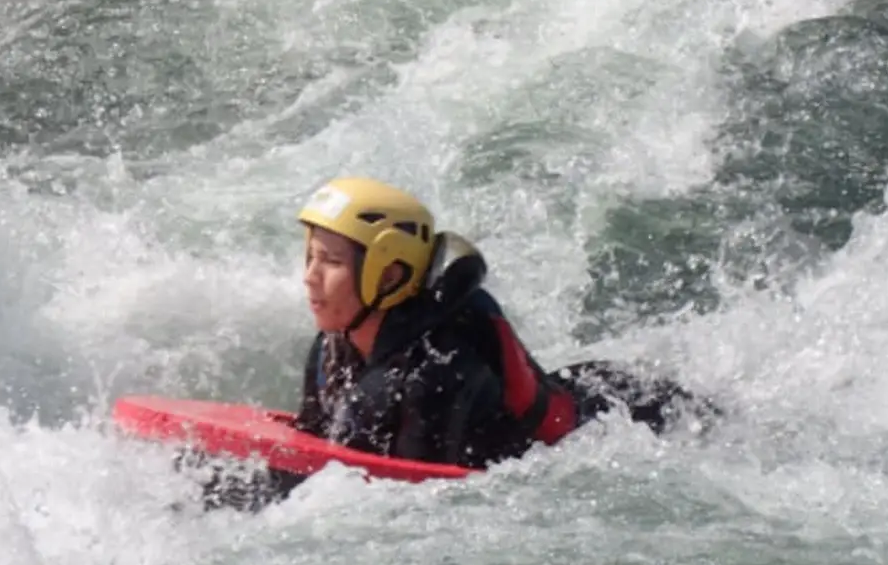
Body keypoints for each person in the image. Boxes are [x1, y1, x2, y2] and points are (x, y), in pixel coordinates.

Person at [289, 176, 721, 470]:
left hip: (626, 415)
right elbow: (309, 447)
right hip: (579, 387)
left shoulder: (438, 368)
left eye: (330, 261)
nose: (310, 276)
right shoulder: (331, 349)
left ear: (389, 273)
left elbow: (413, 501)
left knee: (727, 428)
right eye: (311, 257)